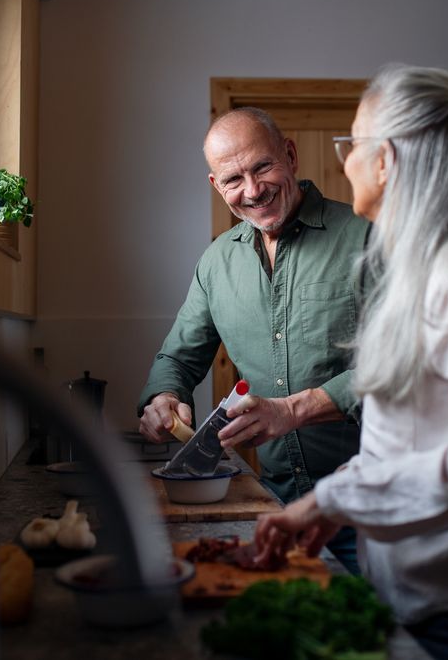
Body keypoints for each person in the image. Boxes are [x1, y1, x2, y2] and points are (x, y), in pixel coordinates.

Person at [253, 64, 448, 660]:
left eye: (351, 144)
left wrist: (334, 498)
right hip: (446, 602)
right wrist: (355, 508)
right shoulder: (433, 262)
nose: (344, 161)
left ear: (386, 161)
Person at [137, 107, 371, 574]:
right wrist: (165, 396)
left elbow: (406, 369)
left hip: (368, 514)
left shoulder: (367, 238)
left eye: (262, 167)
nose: (252, 190)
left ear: (290, 155)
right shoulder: (216, 264)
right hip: (275, 510)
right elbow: (178, 358)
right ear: (215, 186)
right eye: (233, 179)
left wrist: (291, 410)